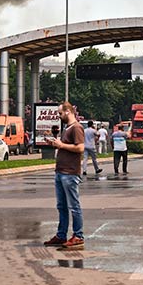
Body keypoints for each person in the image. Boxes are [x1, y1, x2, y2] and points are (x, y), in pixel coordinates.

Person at [43, 101, 86, 250]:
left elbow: (80, 147)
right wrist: (55, 143)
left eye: (60, 113)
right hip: (61, 172)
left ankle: (78, 235)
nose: (59, 116)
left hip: (70, 173)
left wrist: (61, 145)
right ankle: (61, 235)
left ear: (68, 112)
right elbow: (67, 146)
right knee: (61, 206)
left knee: (73, 206)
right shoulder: (67, 128)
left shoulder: (77, 128)